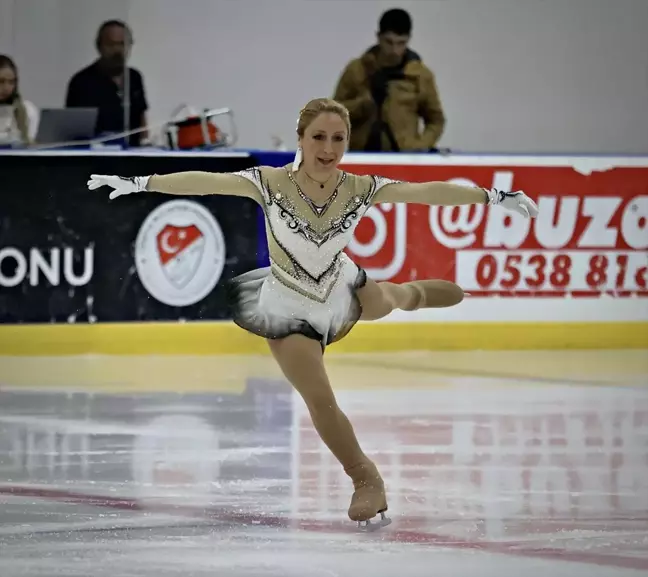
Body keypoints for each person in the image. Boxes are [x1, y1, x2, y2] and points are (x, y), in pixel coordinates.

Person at [87, 98, 538, 529]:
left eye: (338, 139)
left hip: (341, 286)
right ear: (300, 139)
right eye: (318, 137)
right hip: (287, 305)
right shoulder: (267, 182)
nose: (328, 149)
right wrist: (140, 183)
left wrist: (494, 197)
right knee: (320, 400)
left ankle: (411, 294)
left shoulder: (362, 189)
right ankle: (366, 478)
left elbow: (426, 192)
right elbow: (206, 179)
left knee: (384, 302)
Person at [333, 8, 445, 152]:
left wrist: (421, 146)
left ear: (409, 39)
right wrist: (362, 104)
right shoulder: (357, 69)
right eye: (389, 42)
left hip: (403, 159)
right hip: (362, 156)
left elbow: (436, 119)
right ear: (378, 37)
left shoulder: (420, 75)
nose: (394, 50)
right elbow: (334, 114)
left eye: (401, 43)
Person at [65, 20, 148, 146]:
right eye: (111, 44)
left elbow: (141, 120)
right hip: (95, 157)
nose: (118, 50)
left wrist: (145, 143)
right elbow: (73, 131)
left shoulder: (134, 77)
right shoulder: (82, 82)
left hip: (132, 154)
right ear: (99, 46)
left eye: (122, 44)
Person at [0, 55, 39, 146]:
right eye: (1, 81)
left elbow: (29, 144)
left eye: (11, 82)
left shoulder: (28, 110)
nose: (7, 88)